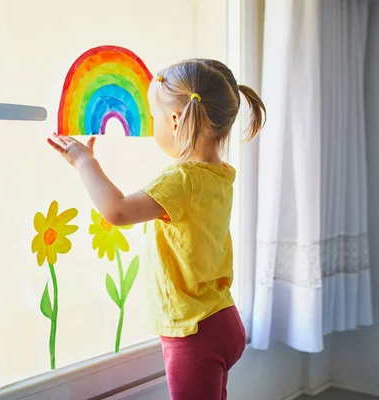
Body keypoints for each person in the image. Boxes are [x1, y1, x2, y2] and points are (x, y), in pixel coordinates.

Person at [47, 59, 266, 400]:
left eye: (154, 117)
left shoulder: (179, 180)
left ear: (177, 120)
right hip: (222, 318)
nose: (151, 125)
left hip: (194, 333)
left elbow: (117, 211)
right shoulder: (219, 173)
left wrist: (84, 161)